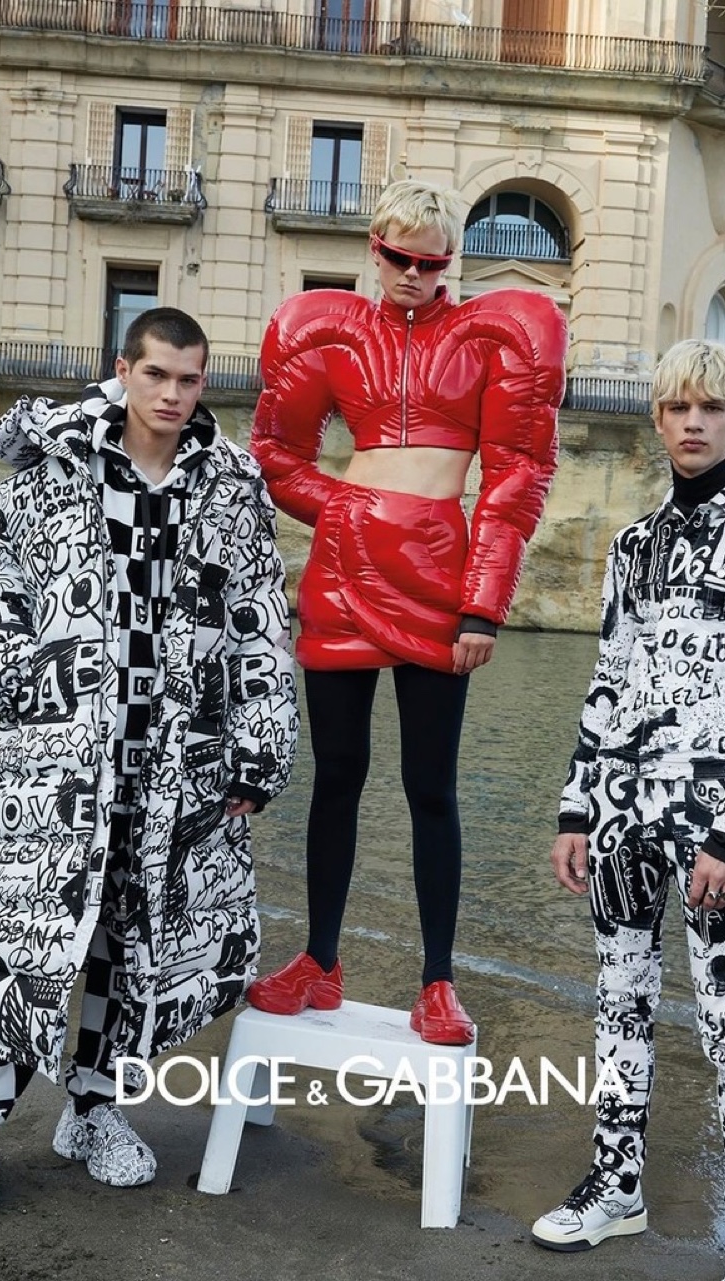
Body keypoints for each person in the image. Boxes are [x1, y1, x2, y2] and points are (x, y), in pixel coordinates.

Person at [0, 307, 298, 1217]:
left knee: (135, 948)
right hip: (55, 768)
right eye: (156, 374)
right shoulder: (57, 471)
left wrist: (259, 748)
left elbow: (260, 621)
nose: (172, 394)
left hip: (174, 772)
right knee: (20, 942)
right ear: (124, 370)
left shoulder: (228, 491)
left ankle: (95, 1108)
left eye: (190, 379)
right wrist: (20, 675)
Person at [246, 179, 567, 1044]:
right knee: (336, 776)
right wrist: (349, 511)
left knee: (431, 786)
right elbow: (275, 450)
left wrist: (484, 606)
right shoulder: (330, 333)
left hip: (438, 575)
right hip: (343, 569)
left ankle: (437, 981)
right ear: (375, 248)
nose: (413, 275)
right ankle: (318, 961)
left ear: (448, 261)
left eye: (430, 262)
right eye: (398, 257)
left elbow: (517, 474)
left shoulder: (493, 335)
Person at [531, 340, 725, 1281]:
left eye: (710, 407)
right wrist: (576, 808)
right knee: (619, 1000)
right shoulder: (634, 546)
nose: (692, 422)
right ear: (657, 418)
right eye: (677, 407)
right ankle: (617, 1185)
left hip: (713, 822)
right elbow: (608, 677)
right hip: (623, 810)